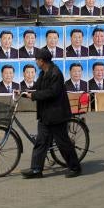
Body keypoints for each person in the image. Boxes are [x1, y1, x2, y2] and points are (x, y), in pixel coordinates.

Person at [20, 48, 81, 179]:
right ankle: (36, 170)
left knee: (63, 143)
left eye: (37, 59)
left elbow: (52, 92)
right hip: (45, 115)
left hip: (57, 115)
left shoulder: (56, 73)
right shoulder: (43, 73)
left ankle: (75, 167)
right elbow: (36, 88)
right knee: (41, 142)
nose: (36, 61)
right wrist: (23, 92)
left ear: (42, 61)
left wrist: (34, 95)